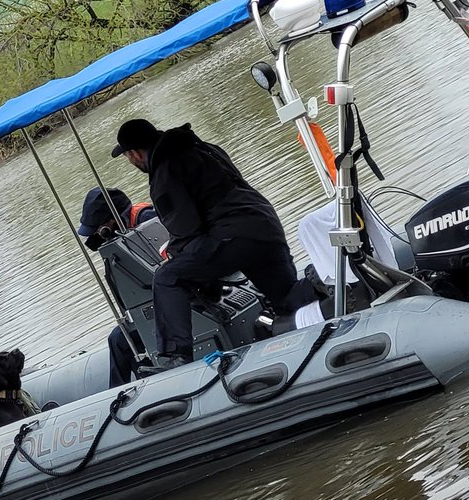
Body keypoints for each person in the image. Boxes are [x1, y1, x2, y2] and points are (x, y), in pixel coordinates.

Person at [110, 117, 326, 367]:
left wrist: (178, 256)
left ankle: (174, 357)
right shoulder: (203, 147)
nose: (131, 162)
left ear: (135, 153)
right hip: (264, 226)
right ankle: (322, 280)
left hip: (233, 235)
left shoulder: (165, 170)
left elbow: (186, 228)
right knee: (285, 297)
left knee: (168, 278)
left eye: (127, 157)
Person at [77, 187, 159, 387]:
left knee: (119, 339)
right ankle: (134, 386)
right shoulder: (120, 235)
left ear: (111, 221)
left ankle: (123, 390)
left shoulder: (145, 219)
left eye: (97, 228)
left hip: (172, 305)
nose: (96, 234)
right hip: (154, 307)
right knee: (122, 336)